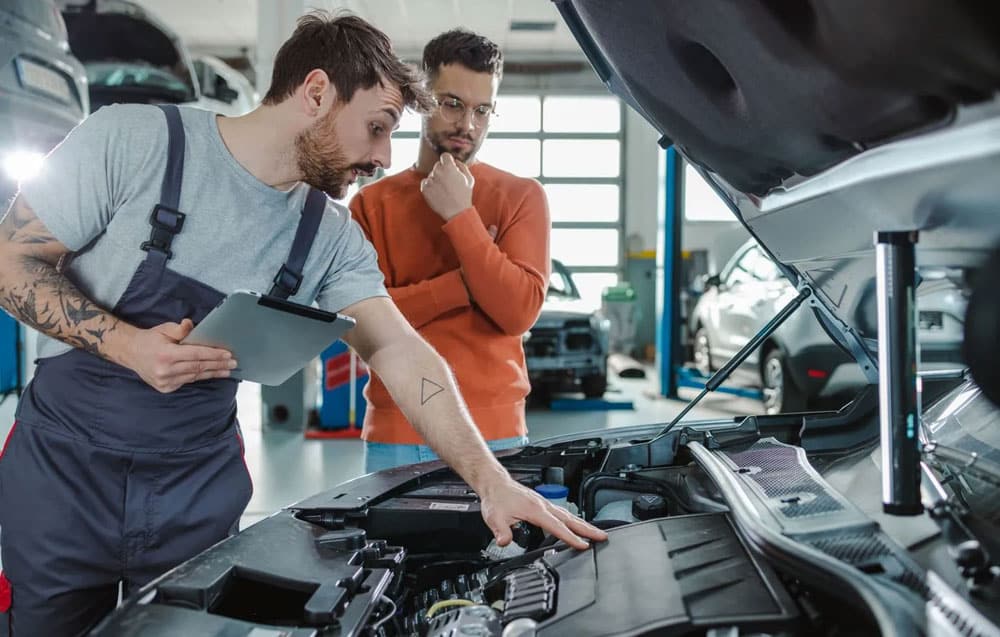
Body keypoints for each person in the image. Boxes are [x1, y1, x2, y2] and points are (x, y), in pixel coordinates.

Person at [0, 13, 605, 635]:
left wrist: (490, 479)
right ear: (316, 93)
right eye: (375, 128)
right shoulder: (132, 140)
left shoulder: (328, 235)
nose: (382, 157)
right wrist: (127, 346)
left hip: (193, 487)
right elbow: (8, 262)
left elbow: (399, 350)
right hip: (63, 478)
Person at [351, 29, 550, 472]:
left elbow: (517, 312)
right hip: (397, 433)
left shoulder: (521, 196)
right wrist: (466, 284)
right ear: (421, 98)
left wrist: (460, 216)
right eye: (453, 104)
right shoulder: (371, 204)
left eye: (483, 110)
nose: (468, 125)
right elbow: (364, 329)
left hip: (497, 435)